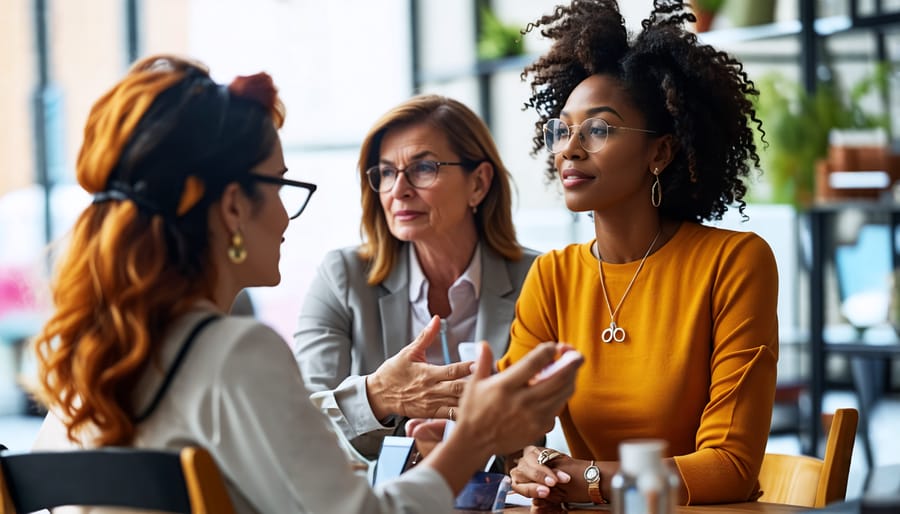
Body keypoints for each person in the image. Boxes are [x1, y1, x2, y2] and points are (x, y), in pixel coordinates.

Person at [28, 54, 583, 513]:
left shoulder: (92, 362)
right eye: (279, 183)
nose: (285, 211)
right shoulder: (233, 352)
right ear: (232, 208)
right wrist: (475, 437)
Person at [499, 0, 779, 508]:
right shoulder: (553, 276)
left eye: (599, 129)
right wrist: (531, 467)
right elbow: (513, 429)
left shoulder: (734, 262)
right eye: (563, 130)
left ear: (660, 152)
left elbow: (729, 468)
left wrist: (582, 476)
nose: (569, 149)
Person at [293, 94, 540, 460]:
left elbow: (559, 425)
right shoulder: (342, 275)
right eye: (387, 172)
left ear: (479, 183)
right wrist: (380, 395)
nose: (398, 190)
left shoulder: (540, 279)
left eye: (424, 168)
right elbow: (302, 425)